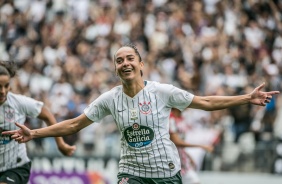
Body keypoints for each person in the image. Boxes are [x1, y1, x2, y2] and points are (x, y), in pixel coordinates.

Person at [2, 43, 279, 184]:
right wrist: (35, 132)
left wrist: (247, 97)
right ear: (115, 68)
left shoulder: (161, 91)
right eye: (119, 60)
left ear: (141, 64)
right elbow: (74, 124)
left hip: (166, 172)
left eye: (129, 58)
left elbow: (205, 101)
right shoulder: (109, 99)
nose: (125, 63)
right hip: (130, 172)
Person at [0, 61, 76, 184]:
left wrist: (60, 144)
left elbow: (48, 115)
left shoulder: (19, 102)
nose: (3, 91)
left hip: (15, 167)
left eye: (6, 86)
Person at [169, 108, 213, 184]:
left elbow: (180, 144)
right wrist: (201, 146)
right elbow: (176, 141)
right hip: (172, 162)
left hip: (183, 163)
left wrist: (188, 156)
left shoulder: (181, 119)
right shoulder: (170, 119)